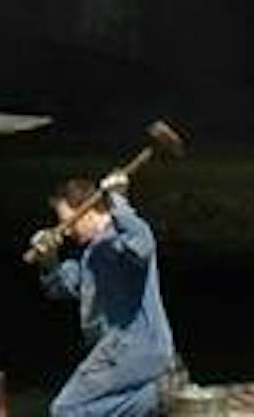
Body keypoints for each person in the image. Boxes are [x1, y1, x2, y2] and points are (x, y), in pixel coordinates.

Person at [35, 175, 177, 417]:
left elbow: (142, 244)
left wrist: (119, 202)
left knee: (67, 409)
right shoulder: (91, 254)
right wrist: (49, 261)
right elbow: (63, 287)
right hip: (124, 351)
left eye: (69, 222)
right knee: (100, 410)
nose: (66, 231)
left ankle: (157, 395)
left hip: (131, 347)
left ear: (88, 212)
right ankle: (157, 396)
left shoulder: (118, 242)